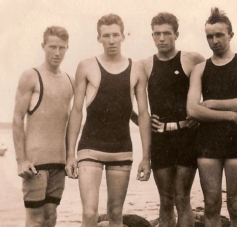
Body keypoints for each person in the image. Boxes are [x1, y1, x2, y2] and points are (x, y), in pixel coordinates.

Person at [65, 14, 151, 227]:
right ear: (99, 38)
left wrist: (146, 157)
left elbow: (143, 114)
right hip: (90, 149)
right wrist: (70, 155)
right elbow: (76, 111)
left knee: (115, 214)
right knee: (89, 214)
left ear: (123, 36)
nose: (111, 40)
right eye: (106, 35)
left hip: (121, 149)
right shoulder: (86, 66)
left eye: (115, 35)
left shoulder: (137, 69)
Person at [187, 8, 237, 227]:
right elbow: (192, 109)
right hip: (208, 142)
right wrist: (231, 115)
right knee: (211, 205)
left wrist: (211, 103)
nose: (214, 40)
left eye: (219, 35)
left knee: (236, 206)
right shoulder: (200, 69)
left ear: (231, 35)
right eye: (210, 36)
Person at [132, 12, 204, 227]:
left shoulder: (192, 59)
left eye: (166, 33)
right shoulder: (145, 65)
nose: (161, 38)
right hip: (160, 139)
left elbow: (214, 89)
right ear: (152, 36)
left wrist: (201, 115)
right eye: (157, 34)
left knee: (183, 198)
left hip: (187, 137)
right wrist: (140, 120)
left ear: (176, 35)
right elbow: (125, 102)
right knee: (165, 201)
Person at [12, 26, 74, 227]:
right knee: (35, 219)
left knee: (51, 216)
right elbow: (17, 119)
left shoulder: (70, 81)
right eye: (52, 47)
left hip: (59, 161)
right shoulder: (31, 76)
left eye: (62, 48)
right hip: (35, 162)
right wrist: (21, 160)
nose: (57, 53)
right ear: (43, 46)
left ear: (67, 48)